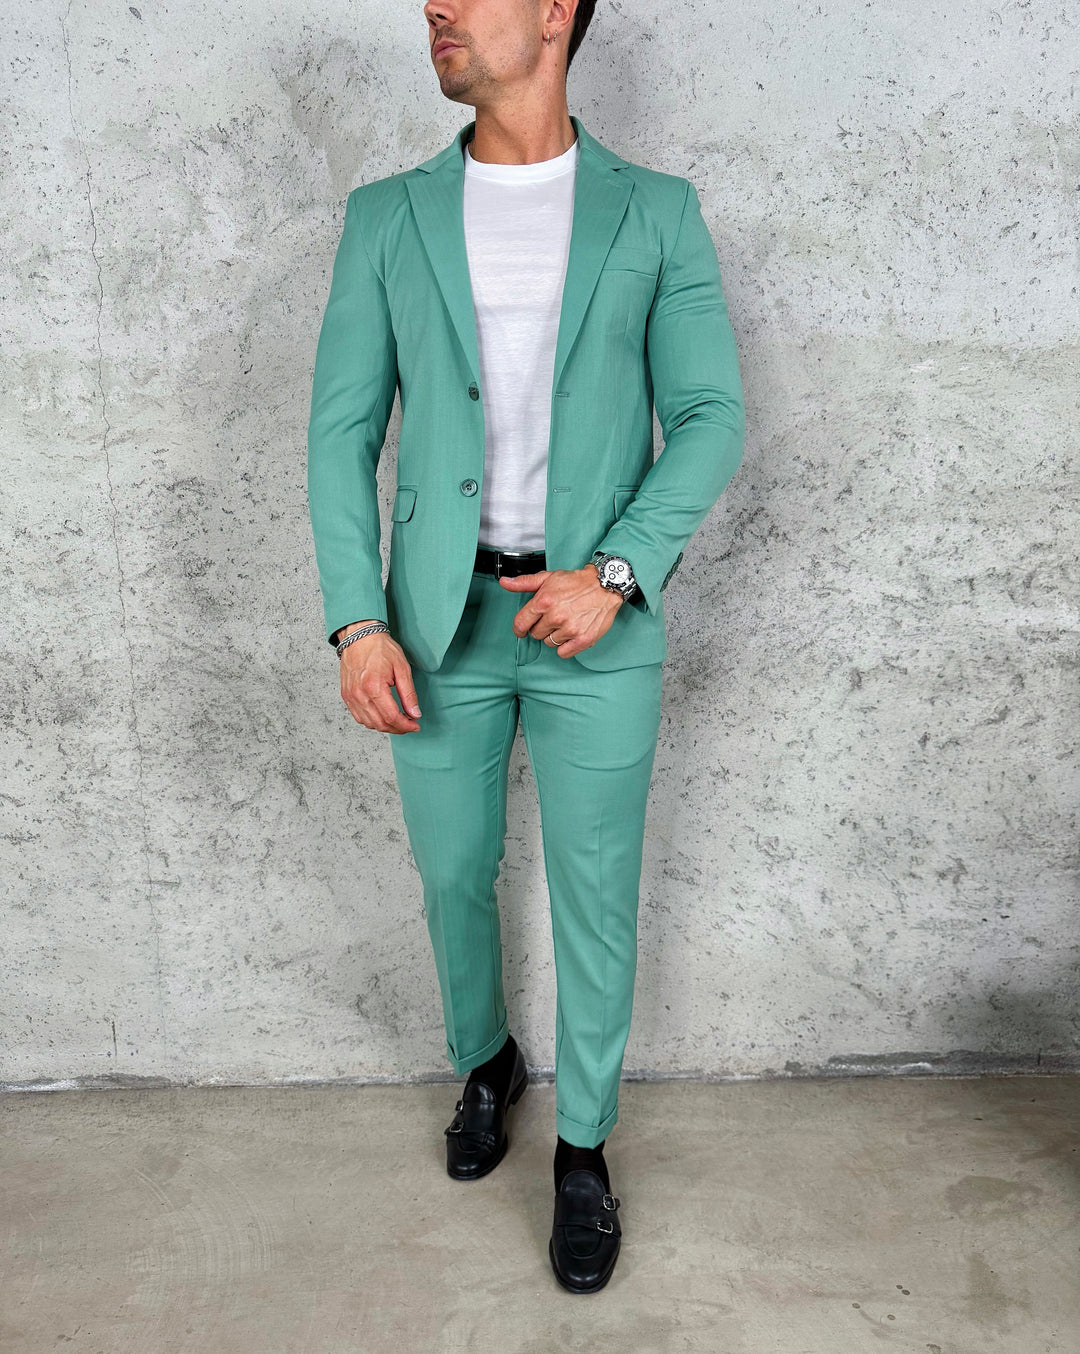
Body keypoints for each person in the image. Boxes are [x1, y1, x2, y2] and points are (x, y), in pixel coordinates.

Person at [306, 0, 745, 1293]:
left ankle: (585, 1149)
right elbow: (341, 432)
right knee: (453, 873)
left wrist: (618, 572)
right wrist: (357, 618)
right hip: (435, 625)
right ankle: (486, 1059)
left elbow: (711, 414)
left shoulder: (654, 212)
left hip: (593, 622)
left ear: (556, 11)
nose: (435, 7)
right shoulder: (386, 218)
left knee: (595, 890)